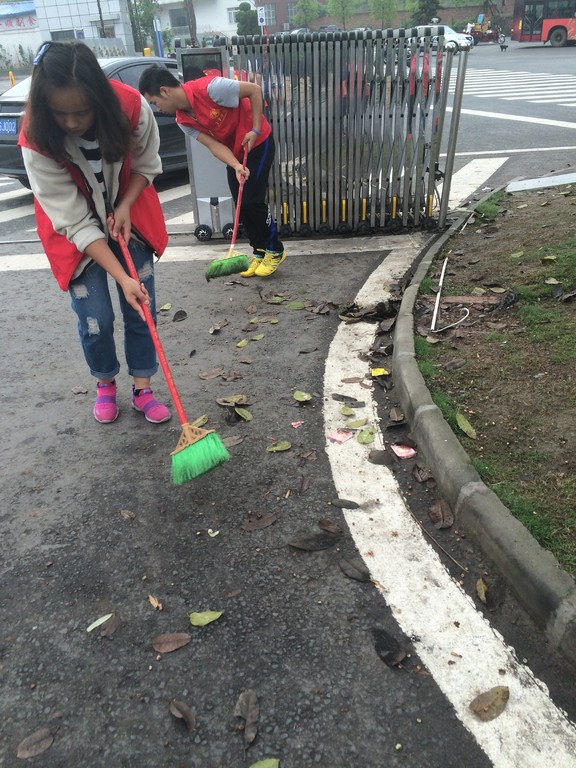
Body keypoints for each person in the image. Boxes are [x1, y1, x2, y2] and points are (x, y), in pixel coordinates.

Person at [19, 41, 172, 425]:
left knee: (141, 309)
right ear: (44, 106)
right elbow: (73, 220)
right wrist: (121, 277)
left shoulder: (131, 107)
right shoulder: (36, 134)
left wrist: (123, 206)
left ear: (99, 100)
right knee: (97, 318)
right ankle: (105, 382)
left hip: (129, 214)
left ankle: (143, 388)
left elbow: (148, 164)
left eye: (82, 112)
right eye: (60, 113)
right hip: (74, 232)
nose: (72, 123)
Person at [138, 64, 286, 278]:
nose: (157, 108)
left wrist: (255, 129)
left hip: (258, 143)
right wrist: (235, 165)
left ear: (164, 91)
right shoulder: (182, 120)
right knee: (241, 206)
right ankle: (259, 252)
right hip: (235, 153)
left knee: (253, 201)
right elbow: (214, 146)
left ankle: (275, 249)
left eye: (154, 102)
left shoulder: (211, 88)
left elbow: (254, 90)